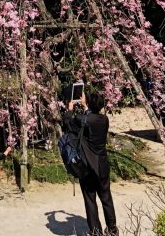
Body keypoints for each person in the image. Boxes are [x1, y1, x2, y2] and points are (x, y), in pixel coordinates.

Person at [65, 92, 118, 236]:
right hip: (102, 165)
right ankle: (113, 229)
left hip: (87, 166)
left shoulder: (84, 119)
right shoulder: (104, 119)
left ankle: (96, 232)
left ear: (88, 103)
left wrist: (70, 110)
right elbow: (90, 118)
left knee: (90, 200)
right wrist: (86, 106)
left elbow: (69, 123)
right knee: (106, 198)